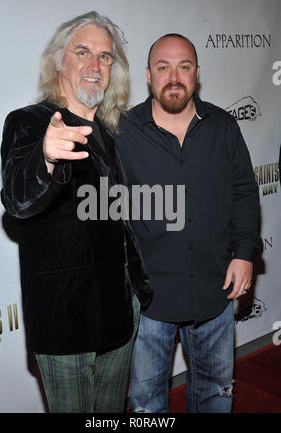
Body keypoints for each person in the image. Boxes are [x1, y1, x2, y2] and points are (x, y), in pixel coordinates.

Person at [0, 11, 152, 413]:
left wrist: (136, 292)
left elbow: (117, 221)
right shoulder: (30, 123)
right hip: (64, 316)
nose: (94, 65)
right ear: (57, 61)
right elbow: (16, 198)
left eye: (105, 57)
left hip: (119, 312)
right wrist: (46, 158)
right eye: (82, 51)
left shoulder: (110, 132)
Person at [115, 33, 262, 413]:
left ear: (197, 73)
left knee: (216, 396)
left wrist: (245, 253)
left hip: (215, 290)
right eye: (163, 67)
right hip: (148, 301)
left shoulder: (224, 126)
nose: (174, 76)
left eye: (183, 66)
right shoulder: (122, 132)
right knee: (146, 405)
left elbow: (245, 191)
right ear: (149, 75)